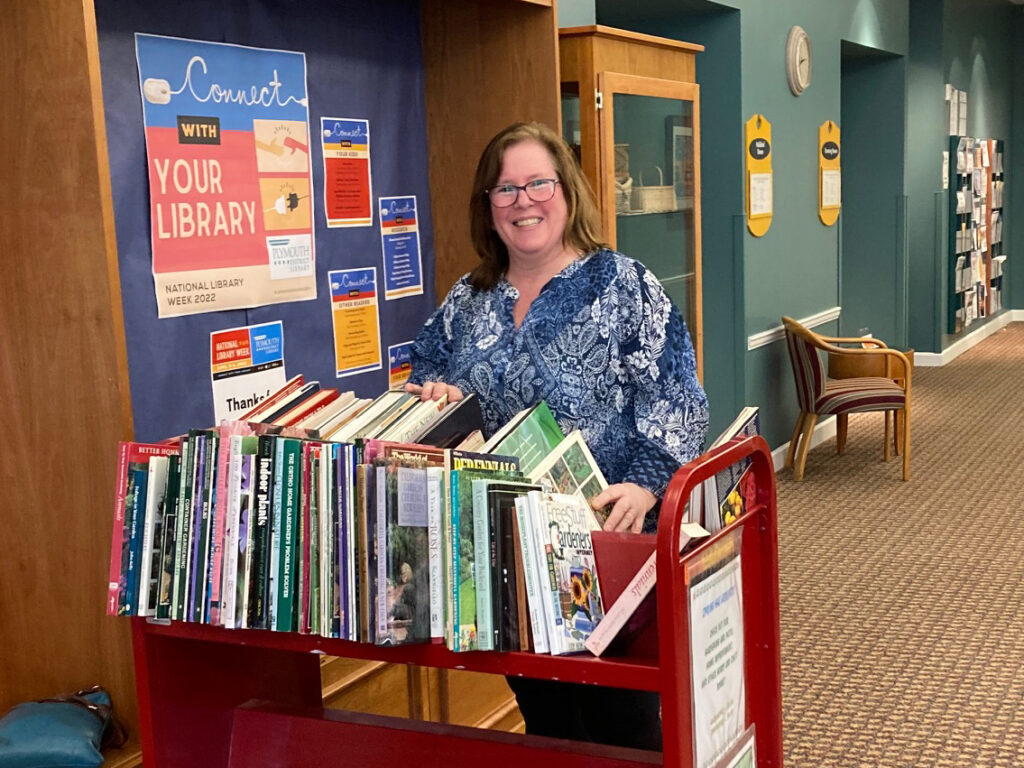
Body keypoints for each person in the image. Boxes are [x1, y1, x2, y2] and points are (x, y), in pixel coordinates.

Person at [406, 121, 709, 750]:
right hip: (506, 552)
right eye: (505, 189)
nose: (523, 201)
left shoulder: (624, 286)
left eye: (537, 183)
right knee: (546, 722)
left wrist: (647, 486)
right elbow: (426, 375)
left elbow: (680, 397)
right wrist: (437, 397)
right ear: (488, 209)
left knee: (623, 729)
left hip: (609, 543)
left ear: (566, 191)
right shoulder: (467, 300)